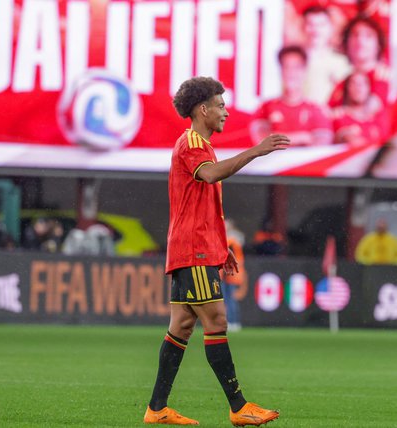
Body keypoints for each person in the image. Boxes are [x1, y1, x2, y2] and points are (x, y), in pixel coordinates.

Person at [144, 76, 289, 426]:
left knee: (181, 326)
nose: (226, 112)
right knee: (217, 321)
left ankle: (157, 409)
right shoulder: (192, 143)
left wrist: (220, 246)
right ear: (202, 109)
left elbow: (200, 204)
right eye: (220, 106)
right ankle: (239, 407)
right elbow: (209, 176)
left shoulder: (201, 146)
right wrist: (255, 150)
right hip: (193, 250)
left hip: (196, 247)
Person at [250, 45, 332, 147]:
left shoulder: (317, 110)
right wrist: (302, 137)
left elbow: (322, 144)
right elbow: (262, 142)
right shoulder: (265, 107)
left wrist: (278, 138)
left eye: (296, 67)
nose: (291, 72)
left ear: (305, 70)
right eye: (286, 67)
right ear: (281, 70)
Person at [328, 15, 389, 109]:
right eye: (355, 35)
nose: (360, 41)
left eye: (368, 36)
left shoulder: (386, 77)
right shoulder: (338, 76)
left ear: (378, 44)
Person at [300, 5, 351, 105]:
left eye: (321, 25)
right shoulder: (294, 59)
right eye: (310, 24)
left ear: (330, 28)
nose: (315, 30)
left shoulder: (341, 62)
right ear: (303, 27)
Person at [332, 71, 390, 146]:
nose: (358, 87)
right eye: (353, 83)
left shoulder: (379, 115)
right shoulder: (339, 115)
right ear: (347, 89)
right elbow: (347, 138)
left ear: (369, 88)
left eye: (362, 84)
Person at [221, 219, 247, 332]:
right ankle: (232, 321)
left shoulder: (231, 241)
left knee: (230, 300)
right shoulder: (234, 240)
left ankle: (233, 321)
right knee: (228, 300)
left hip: (231, 275)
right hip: (229, 274)